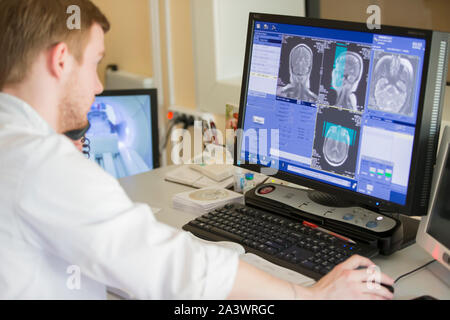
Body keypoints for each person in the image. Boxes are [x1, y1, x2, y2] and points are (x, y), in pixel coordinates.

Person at [0, 0, 394, 300]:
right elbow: (169, 267)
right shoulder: (42, 164)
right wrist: (307, 296)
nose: (99, 86)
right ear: (61, 60)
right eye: (95, 64)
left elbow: (148, 249)